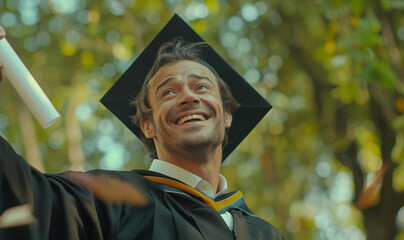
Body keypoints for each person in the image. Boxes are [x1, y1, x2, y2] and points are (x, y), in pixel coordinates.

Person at [0, 15, 284, 239]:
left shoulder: (264, 233)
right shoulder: (108, 197)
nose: (188, 96)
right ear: (147, 125)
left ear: (227, 115)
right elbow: (26, 200)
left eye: (201, 86)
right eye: (168, 93)